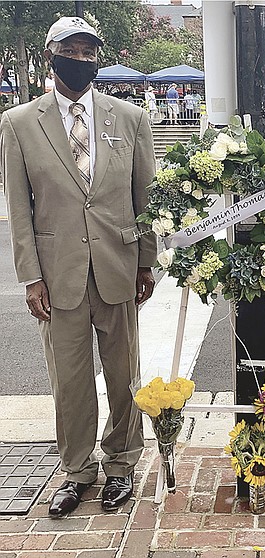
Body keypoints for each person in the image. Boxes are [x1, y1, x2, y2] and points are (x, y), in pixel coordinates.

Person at [1, 17, 157, 516]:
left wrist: (146, 264)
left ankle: (121, 463)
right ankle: (76, 471)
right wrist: (30, 275)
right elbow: (19, 208)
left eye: (91, 51)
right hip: (57, 273)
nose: (83, 59)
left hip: (118, 266)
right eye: (73, 50)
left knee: (122, 374)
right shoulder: (20, 122)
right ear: (51, 55)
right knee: (68, 379)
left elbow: (145, 198)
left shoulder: (129, 118)